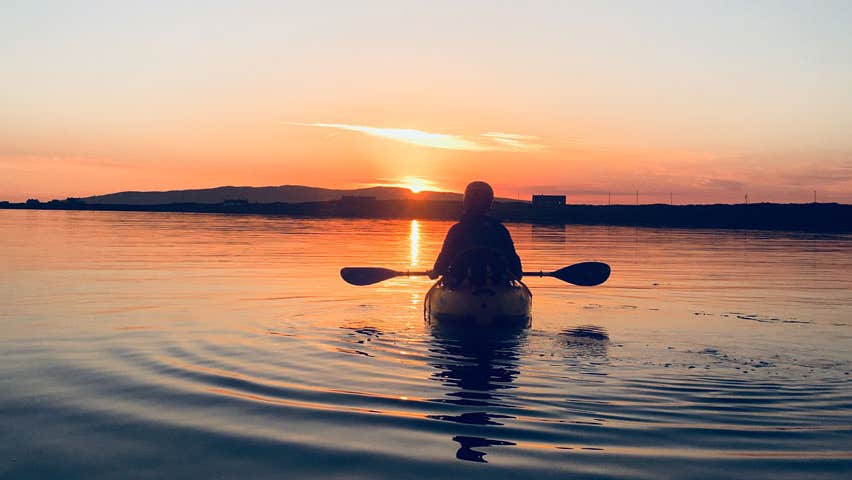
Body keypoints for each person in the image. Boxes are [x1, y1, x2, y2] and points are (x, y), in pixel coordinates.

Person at [429, 181, 522, 285]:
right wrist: (515, 273)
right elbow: (515, 267)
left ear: (466, 201)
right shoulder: (500, 230)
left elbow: (444, 259)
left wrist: (436, 271)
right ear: (489, 203)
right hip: (497, 285)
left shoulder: (457, 230)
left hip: (461, 286)